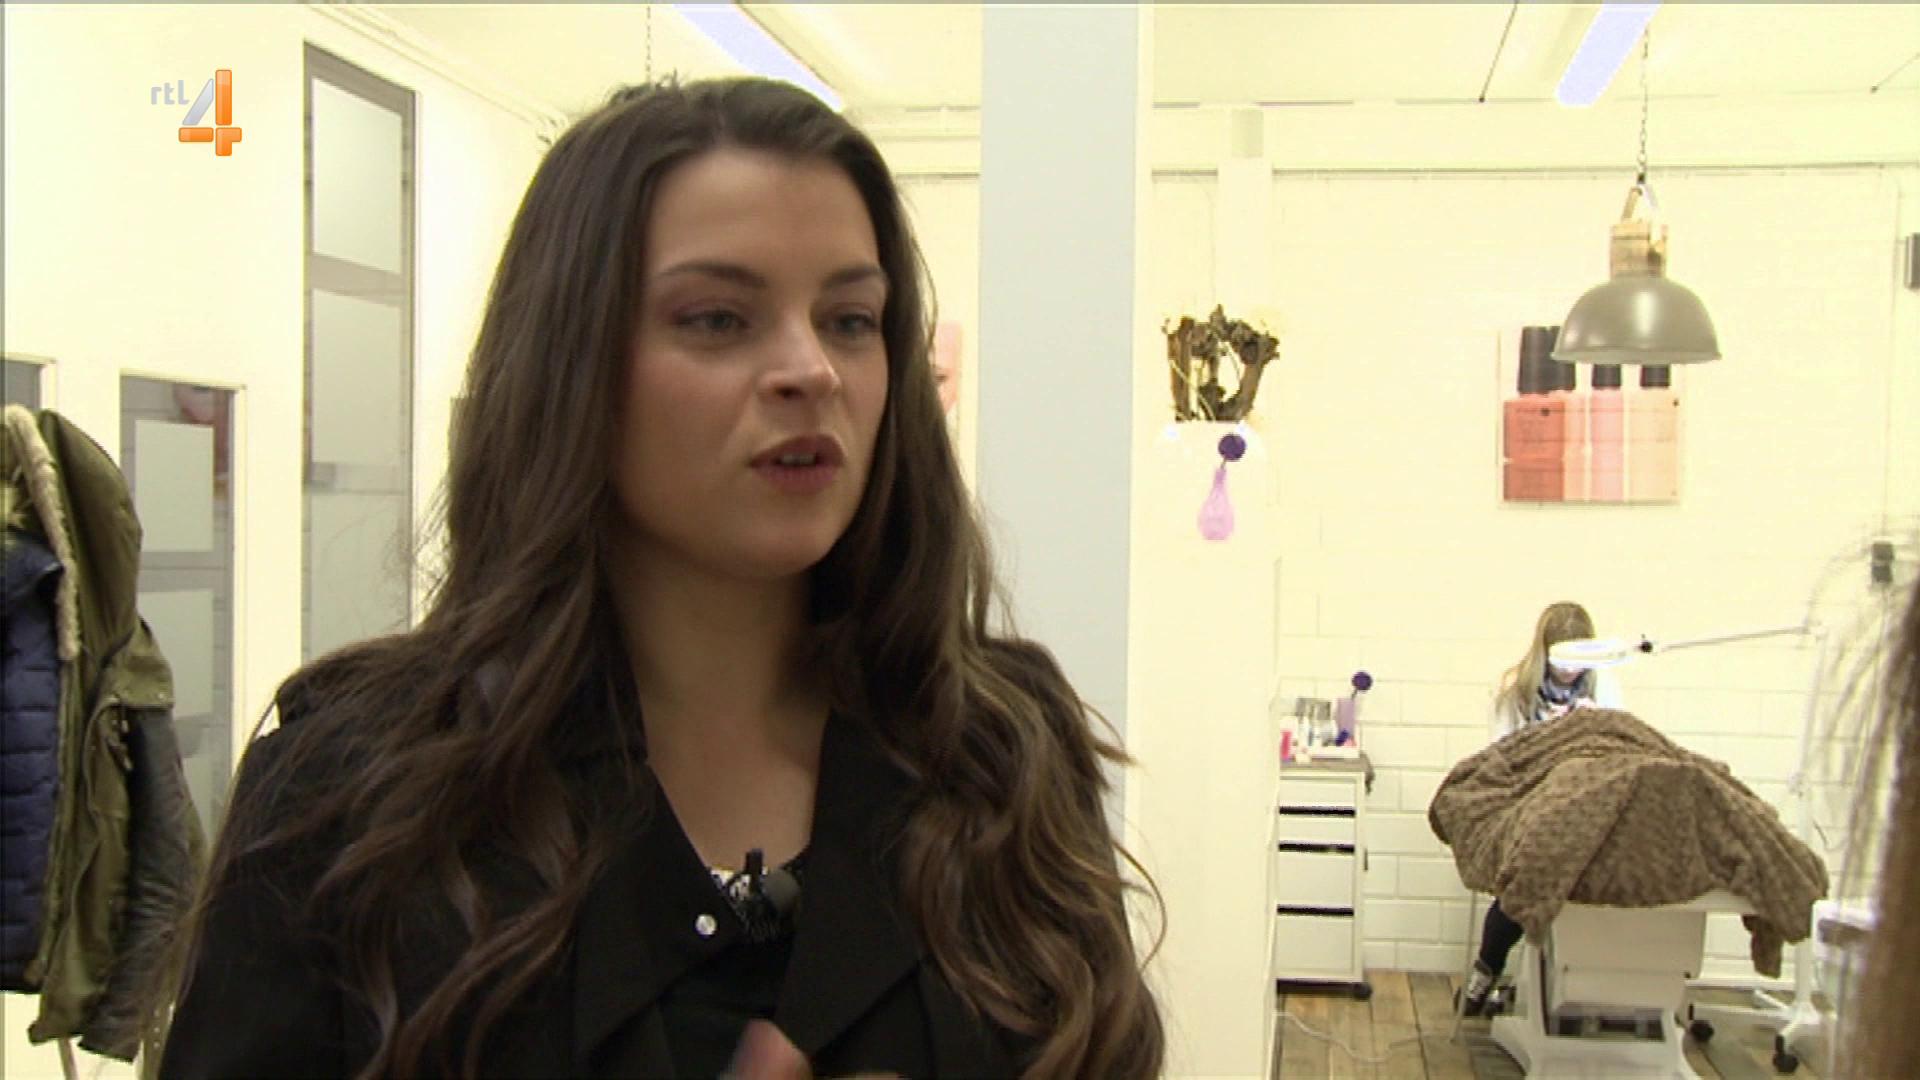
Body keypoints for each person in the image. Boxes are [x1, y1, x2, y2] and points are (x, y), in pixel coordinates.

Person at [152, 77, 1163, 1080]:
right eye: (719, 319)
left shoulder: (1000, 749)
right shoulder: (352, 795)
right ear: (573, 363)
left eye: (851, 320)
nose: (811, 369)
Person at [1461, 600, 1622, 1016]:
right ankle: (1488, 967)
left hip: (1585, 802)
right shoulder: (1513, 691)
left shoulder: (1603, 686)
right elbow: (1501, 758)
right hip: (1530, 797)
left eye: (1578, 661)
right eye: (1561, 660)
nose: (1569, 671)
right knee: (1528, 877)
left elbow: (1619, 750)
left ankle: (1580, 988)